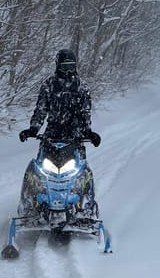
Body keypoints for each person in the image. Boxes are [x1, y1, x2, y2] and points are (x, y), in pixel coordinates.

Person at [17, 49, 101, 216]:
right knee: (38, 171)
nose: (67, 71)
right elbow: (41, 109)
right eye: (64, 67)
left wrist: (88, 132)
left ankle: (84, 207)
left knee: (82, 173)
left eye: (70, 67)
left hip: (74, 138)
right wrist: (33, 129)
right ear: (57, 66)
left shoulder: (81, 87)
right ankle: (31, 205)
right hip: (51, 136)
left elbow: (85, 112)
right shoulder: (49, 85)